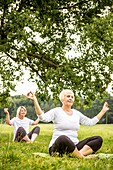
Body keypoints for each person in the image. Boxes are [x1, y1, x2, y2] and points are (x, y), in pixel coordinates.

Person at [26, 89, 109, 158]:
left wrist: (103, 111)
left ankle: (76, 154)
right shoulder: (56, 111)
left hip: (74, 146)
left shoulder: (77, 113)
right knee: (63, 138)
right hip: (58, 147)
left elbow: (91, 122)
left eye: (72, 97)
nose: (70, 98)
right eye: (68, 96)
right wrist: (35, 100)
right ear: (62, 99)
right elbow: (42, 117)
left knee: (98, 139)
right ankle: (82, 157)